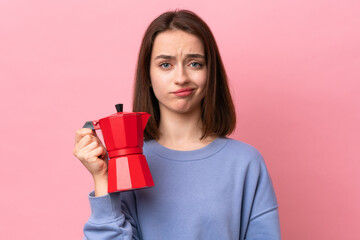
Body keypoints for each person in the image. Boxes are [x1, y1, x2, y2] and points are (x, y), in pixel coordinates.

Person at [73, 9, 281, 240]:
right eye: (165, 65)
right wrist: (102, 179)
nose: (181, 77)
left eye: (194, 63)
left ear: (211, 73)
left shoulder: (246, 162)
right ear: (148, 76)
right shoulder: (124, 165)